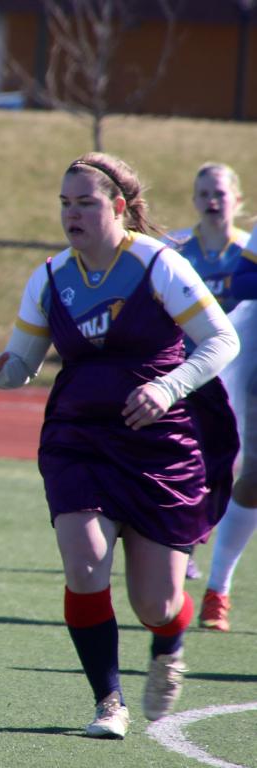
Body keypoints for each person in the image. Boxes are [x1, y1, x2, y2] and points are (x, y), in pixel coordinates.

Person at [0, 152, 239, 739]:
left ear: (117, 207)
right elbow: (23, 366)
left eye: (84, 202)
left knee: (156, 605)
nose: (71, 214)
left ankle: (169, 640)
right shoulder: (50, 276)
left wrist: (168, 387)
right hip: (79, 438)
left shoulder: (158, 263)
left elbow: (222, 340)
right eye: (64, 203)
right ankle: (109, 702)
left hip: (159, 445)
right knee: (84, 566)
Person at [166, 163, 257, 629]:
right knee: (191, 458)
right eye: (203, 191)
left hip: (234, 367)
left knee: (234, 463)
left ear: (237, 199)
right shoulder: (176, 250)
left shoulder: (244, 246)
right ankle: (184, 544)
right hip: (191, 371)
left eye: (220, 192)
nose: (211, 200)